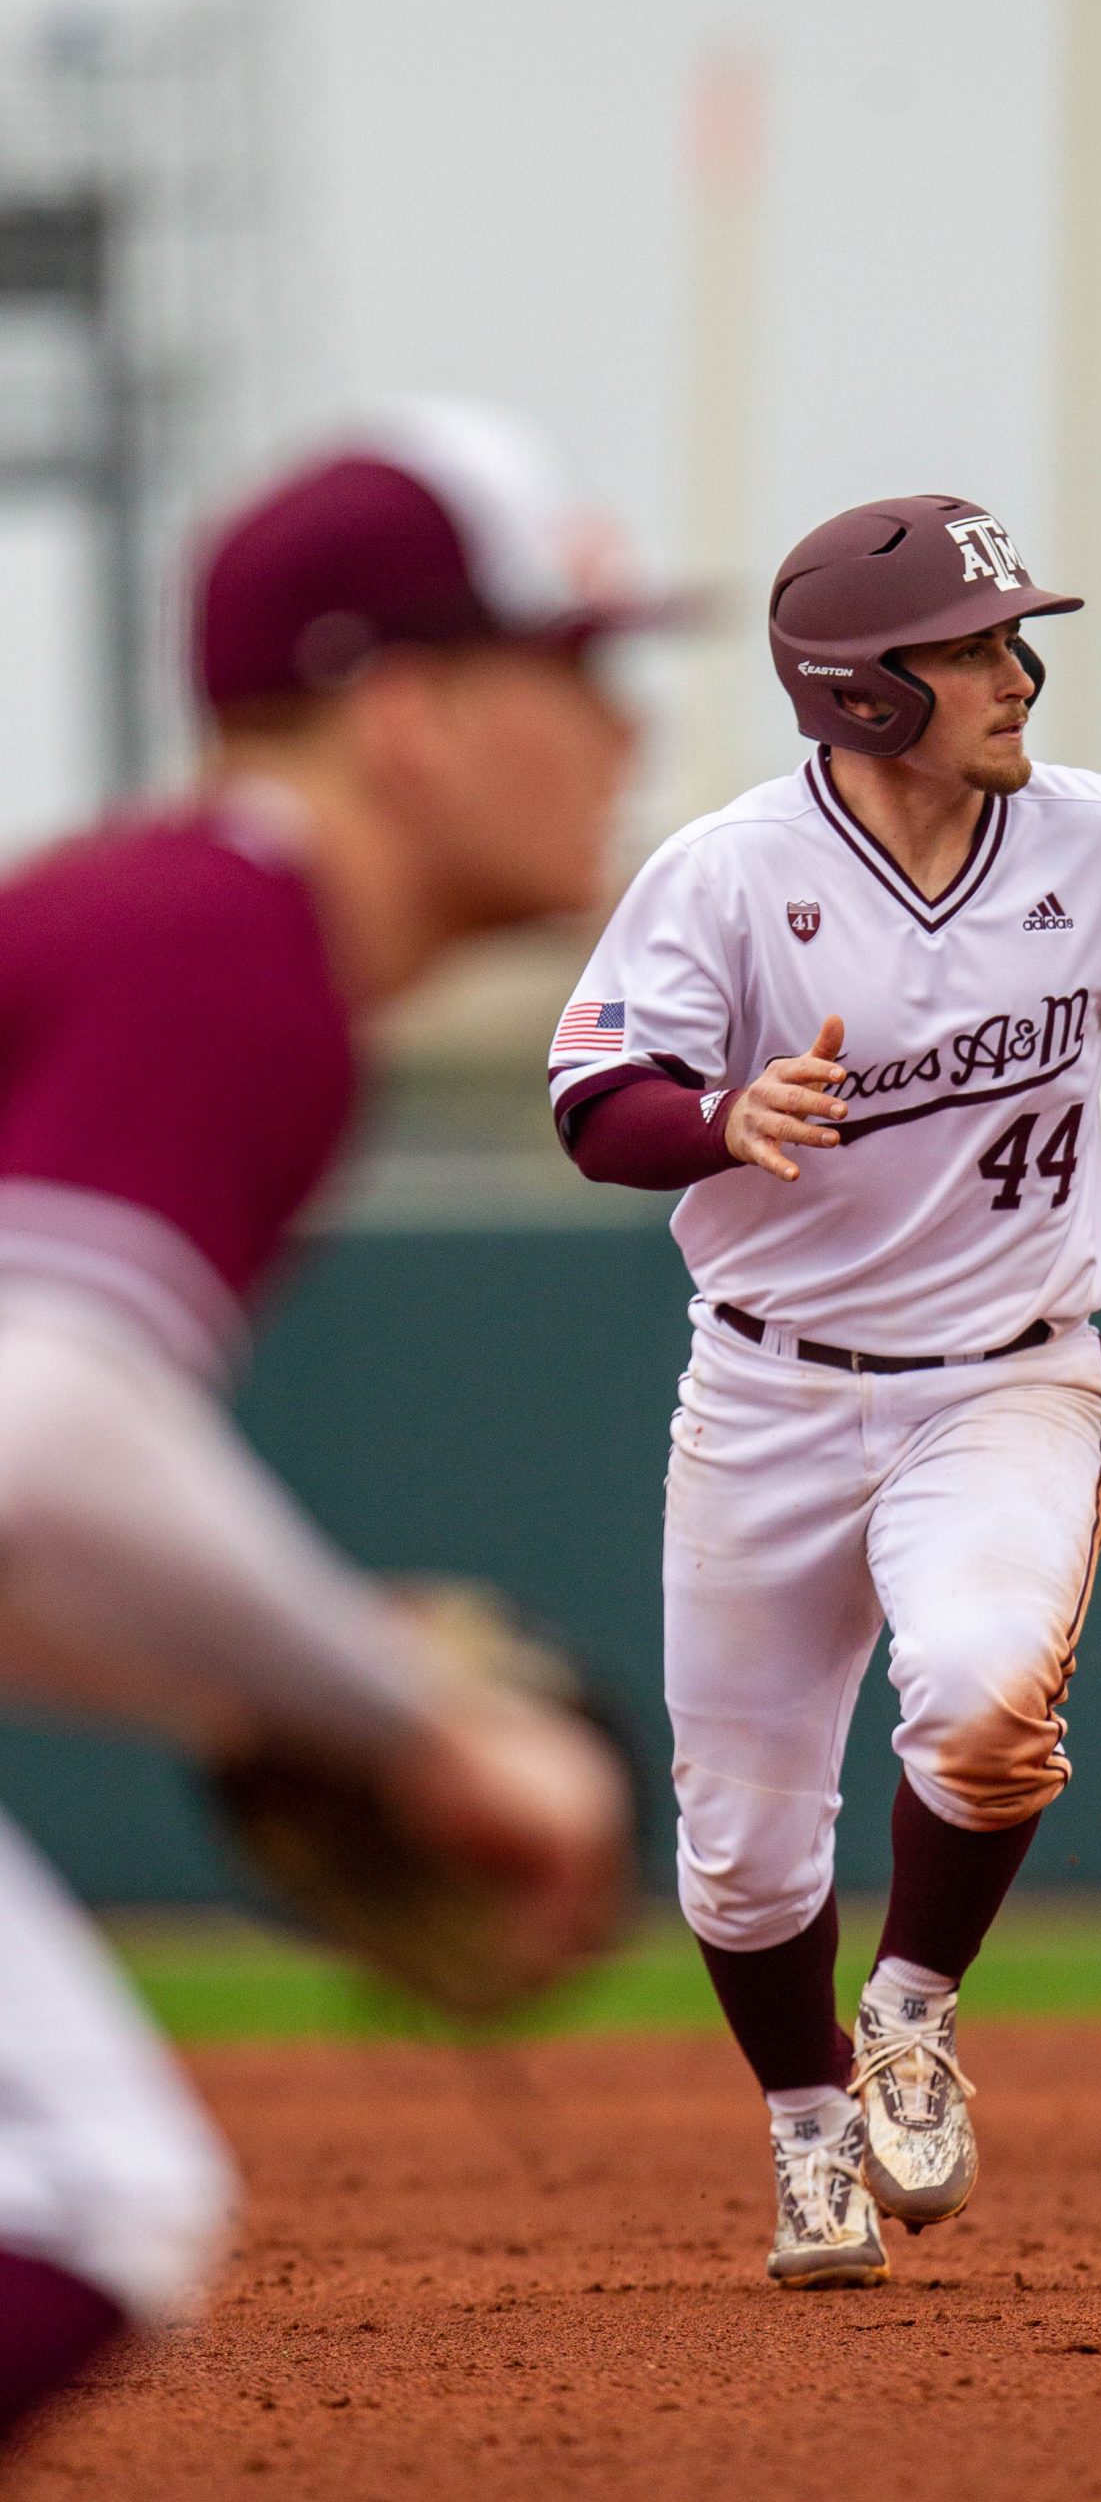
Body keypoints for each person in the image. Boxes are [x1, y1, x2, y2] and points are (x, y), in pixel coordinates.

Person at [0, 399, 685, 2433]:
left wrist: (265, 1692)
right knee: (90, 2191)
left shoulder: (158, 921)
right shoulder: (230, 949)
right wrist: (414, 1716)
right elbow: (42, 1440)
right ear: (403, 712)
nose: (622, 735)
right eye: (567, 668)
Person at [550, 493, 1101, 2287]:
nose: (1016, 670)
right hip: (768, 1397)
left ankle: (910, 2006)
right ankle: (810, 2135)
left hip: (1009, 1374)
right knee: (736, 1854)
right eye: (967, 647)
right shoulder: (729, 873)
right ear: (860, 690)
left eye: (1012, 637)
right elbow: (591, 1101)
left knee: (978, 1702)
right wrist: (719, 1119)